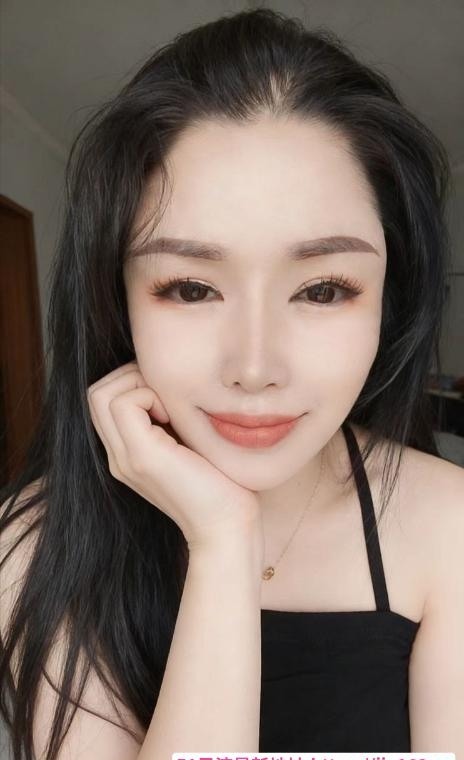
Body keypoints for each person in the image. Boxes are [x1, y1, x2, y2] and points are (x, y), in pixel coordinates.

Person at [1, 7, 463, 759]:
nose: (254, 367)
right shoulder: (37, 541)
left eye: (322, 290)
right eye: (190, 288)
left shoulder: (452, 524)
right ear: (116, 300)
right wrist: (222, 543)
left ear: (391, 300)